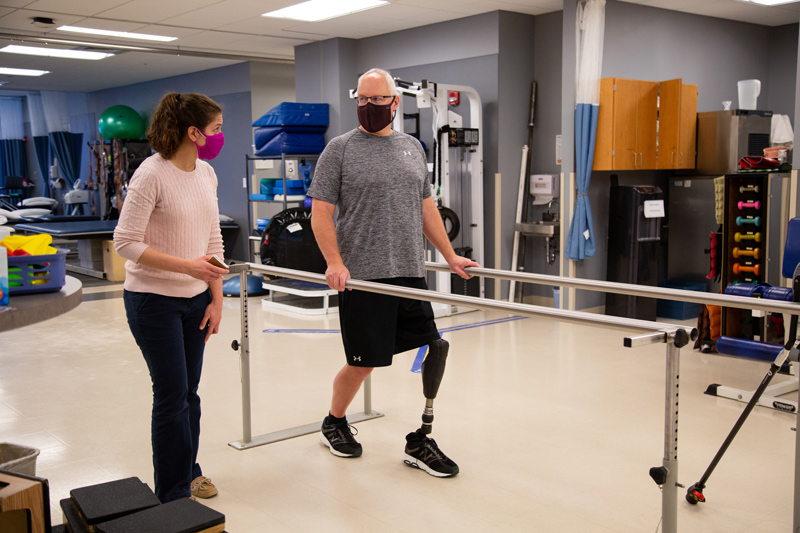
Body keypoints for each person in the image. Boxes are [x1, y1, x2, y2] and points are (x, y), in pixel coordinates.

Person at [307, 68, 480, 477]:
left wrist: (450, 256)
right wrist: (334, 261)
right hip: (364, 275)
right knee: (363, 363)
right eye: (362, 100)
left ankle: (421, 438)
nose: (368, 107)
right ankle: (334, 420)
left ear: (394, 103)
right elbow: (321, 212)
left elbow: (426, 208)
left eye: (377, 100)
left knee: (434, 346)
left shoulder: (412, 148)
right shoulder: (340, 149)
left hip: (408, 270)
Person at [114, 92, 228, 502]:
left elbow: (212, 239)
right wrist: (188, 267)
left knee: (189, 393)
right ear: (193, 132)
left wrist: (216, 297)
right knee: (171, 394)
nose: (220, 136)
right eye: (215, 129)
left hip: (196, 300)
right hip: (152, 301)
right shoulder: (151, 174)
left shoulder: (206, 174)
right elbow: (125, 242)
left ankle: (189, 470)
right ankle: (173, 495)